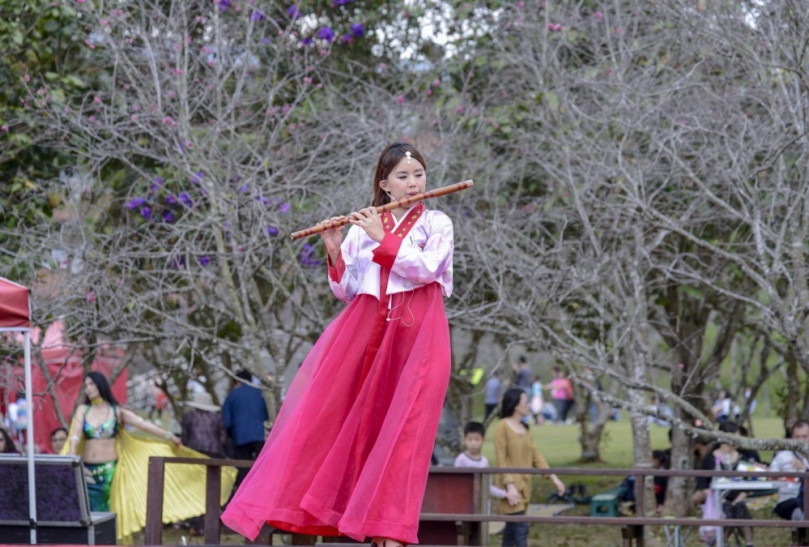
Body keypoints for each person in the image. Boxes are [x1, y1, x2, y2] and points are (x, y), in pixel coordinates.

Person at [221, 143, 454, 547]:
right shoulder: (363, 226)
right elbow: (346, 289)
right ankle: (328, 514)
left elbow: (427, 269)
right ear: (384, 183)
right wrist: (333, 246)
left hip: (416, 335)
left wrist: (384, 238)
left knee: (402, 436)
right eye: (403, 176)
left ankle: (391, 533)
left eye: (418, 174)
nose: (413, 183)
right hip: (364, 332)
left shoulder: (437, 222)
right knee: (341, 425)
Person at [64, 371, 237, 542]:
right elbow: (75, 434)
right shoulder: (83, 410)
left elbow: (142, 424)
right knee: (86, 511)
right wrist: (71, 457)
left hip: (110, 471)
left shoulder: (116, 411)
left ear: (100, 385)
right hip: (86, 470)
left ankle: (106, 543)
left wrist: (169, 436)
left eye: (91, 384)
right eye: (85, 385)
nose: (88, 388)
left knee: (108, 512)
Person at [494, 388, 565, 547]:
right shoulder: (502, 427)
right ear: (515, 405)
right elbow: (501, 459)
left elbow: (536, 456)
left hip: (525, 488)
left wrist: (554, 478)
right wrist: (510, 486)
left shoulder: (524, 429)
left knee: (512, 533)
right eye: (525, 402)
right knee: (520, 530)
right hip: (511, 491)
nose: (528, 405)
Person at [692, 422, 754, 547]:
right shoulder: (710, 459)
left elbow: (747, 484)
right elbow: (704, 486)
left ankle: (749, 543)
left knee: (740, 507)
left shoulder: (743, 458)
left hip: (737, 498)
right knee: (727, 510)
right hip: (717, 500)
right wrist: (720, 499)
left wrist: (738, 499)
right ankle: (722, 542)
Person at [182, 391, 227, 536]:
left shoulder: (189, 417)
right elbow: (223, 439)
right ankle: (212, 526)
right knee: (212, 490)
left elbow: (185, 438)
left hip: (194, 455)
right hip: (214, 456)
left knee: (194, 490)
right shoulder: (217, 418)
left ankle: (196, 525)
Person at [222, 369, 269, 489]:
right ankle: (260, 490)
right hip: (259, 435)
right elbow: (266, 415)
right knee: (261, 466)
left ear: (237, 381)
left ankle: (243, 492)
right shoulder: (260, 393)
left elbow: (226, 421)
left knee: (242, 467)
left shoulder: (232, 396)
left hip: (240, 437)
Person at [454, 421, 508, 501]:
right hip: (464, 499)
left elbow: (487, 486)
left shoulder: (484, 461)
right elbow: (456, 483)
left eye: (476, 440)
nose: (473, 443)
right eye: (470, 439)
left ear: (483, 440)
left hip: (481, 500)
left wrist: (504, 494)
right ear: (464, 440)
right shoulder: (461, 459)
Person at [770, 420, 809, 521]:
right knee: (800, 508)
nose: (800, 441)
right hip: (788, 499)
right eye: (797, 437)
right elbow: (771, 476)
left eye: (804, 437)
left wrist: (804, 469)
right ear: (792, 437)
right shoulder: (783, 456)